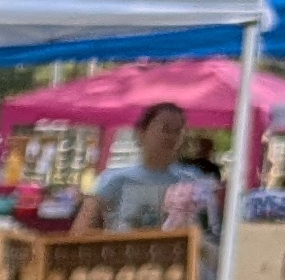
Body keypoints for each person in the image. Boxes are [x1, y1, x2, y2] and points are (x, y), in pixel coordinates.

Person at [71, 99, 198, 235]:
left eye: (177, 131)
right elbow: (79, 232)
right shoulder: (113, 179)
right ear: (141, 133)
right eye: (165, 129)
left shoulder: (191, 181)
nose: (171, 137)